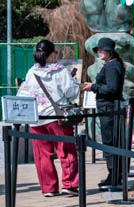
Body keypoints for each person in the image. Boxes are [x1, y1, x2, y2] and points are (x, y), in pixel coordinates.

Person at [17, 40, 80, 197]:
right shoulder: (60, 71)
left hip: (37, 118)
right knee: (66, 151)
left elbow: (25, 92)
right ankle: (70, 185)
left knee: (42, 155)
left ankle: (49, 188)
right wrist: (74, 82)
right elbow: (72, 93)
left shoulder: (31, 72)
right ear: (51, 54)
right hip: (57, 116)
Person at [81, 37, 126, 189]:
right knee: (112, 141)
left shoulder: (112, 67)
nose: (99, 52)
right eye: (98, 50)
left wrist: (94, 87)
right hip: (109, 108)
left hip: (109, 108)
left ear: (110, 52)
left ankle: (114, 175)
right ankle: (114, 174)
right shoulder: (112, 65)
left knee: (110, 142)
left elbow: (112, 88)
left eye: (102, 50)